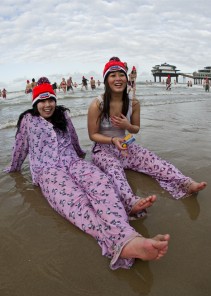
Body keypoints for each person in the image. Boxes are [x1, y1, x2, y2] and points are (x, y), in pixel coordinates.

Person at [4, 77, 170, 270]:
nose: (47, 105)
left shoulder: (63, 115)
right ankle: (125, 241)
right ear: (35, 102)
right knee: (76, 201)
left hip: (73, 162)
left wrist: (82, 158)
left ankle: (127, 236)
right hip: (48, 171)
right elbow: (20, 149)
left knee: (102, 183)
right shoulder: (27, 121)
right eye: (42, 100)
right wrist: (13, 169)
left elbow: (74, 138)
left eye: (51, 99)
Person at [87, 57, 207, 208]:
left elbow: (135, 129)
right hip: (103, 148)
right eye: (113, 75)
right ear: (106, 80)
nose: (118, 79)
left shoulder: (134, 103)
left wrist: (127, 125)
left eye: (121, 74)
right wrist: (112, 140)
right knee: (114, 171)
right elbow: (93, 135)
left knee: (153, 160)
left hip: (125, 145)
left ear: (126, 77)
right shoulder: (97, 104)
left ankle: (185, 183)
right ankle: (131, 202)